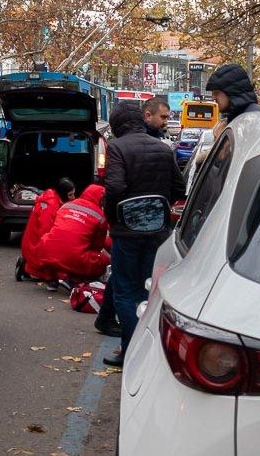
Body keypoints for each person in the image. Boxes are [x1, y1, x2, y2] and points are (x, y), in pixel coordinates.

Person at [102, 101, 185, 367]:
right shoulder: (163, 149)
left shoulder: (117, 147)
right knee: (148, 290)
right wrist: (156, 208)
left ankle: (131, 350)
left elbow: (114, 186)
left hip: (127, 231)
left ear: (117, 125)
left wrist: (113, 213)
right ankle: (149, 350)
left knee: (125, 291)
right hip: (157, 230)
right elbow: (179, 188)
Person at [32, 184, 112, 283]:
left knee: (51, 242)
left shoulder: (65, 205)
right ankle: (77, 278)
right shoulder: (99, 216)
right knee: (104, 260)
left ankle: (52, 278)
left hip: (46, 252)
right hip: (74, 258)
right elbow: (97, 246)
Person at [18, 177, 77, 281]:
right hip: (35, 247)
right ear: (63, 194)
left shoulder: (51, 199)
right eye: (70, 195)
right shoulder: (51, 206)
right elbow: (46, 235)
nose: (73, 198)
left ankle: (27, 265)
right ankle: (26, 266)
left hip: (32, 245)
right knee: (60, 275)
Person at [204, 63, 260, 138]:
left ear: (231, 91)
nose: (213, 98)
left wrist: (223, 139)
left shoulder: (251, 119)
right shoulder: (237, 118)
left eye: (216, 93)